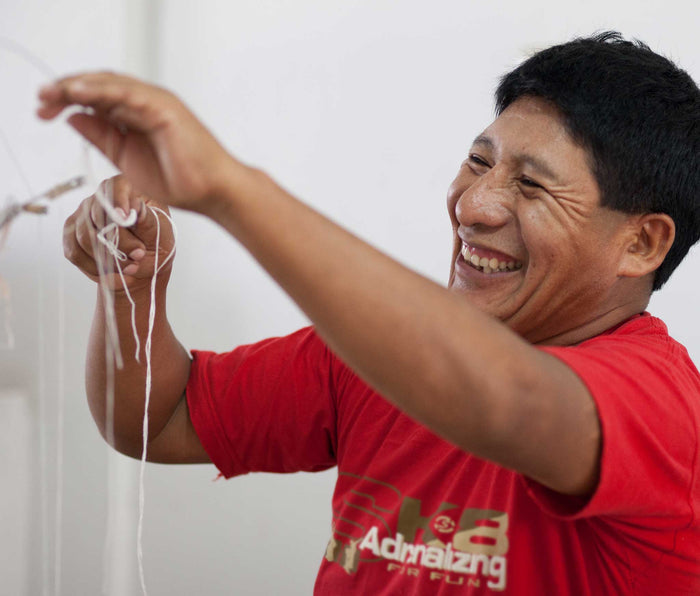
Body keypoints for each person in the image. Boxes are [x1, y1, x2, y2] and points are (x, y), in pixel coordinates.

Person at [37, 32, 700, 594]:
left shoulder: (658, 402)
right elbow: (159, 420)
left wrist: (229, 188)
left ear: (641, 243)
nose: (474, 206)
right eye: (478, 161)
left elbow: (506, 403)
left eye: (530, 185)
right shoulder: (393, 354)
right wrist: (134, 288)